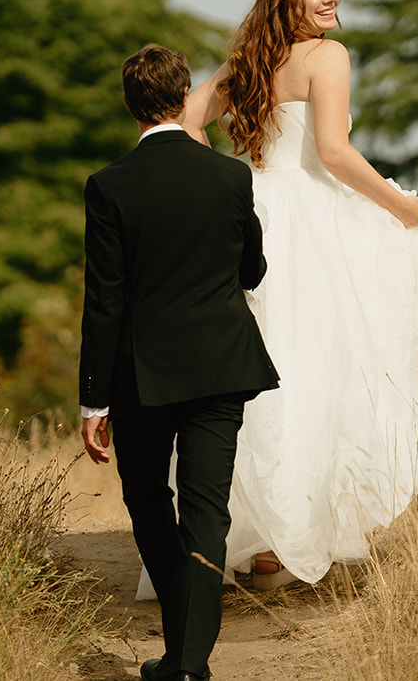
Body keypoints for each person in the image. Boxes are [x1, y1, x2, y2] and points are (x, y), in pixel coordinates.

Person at [180, 0, 418, 589]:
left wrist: (222, 184)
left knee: (261, 372)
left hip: (256, 216)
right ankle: (290, 538)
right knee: (324, 366)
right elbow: (335, 153)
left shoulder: (250, 61)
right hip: (312, 223)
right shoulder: (329, 58)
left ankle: (260, 545)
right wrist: (402, 207)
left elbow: (186, 121)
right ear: (286, 0)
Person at [79, 44, 280, 681]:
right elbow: (252, 268)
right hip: (223, 364)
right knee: (206, 510)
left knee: (145, 496)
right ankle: (190, 656)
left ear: (128, 104)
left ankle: (184, 649)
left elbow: (104, 300)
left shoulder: (110, 186)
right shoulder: (230, 177)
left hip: (144, 375)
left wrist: (93, 398)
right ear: (183, 91)